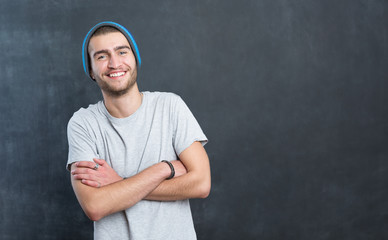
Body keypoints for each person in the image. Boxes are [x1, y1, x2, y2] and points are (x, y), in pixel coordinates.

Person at [66, 21, 211, 240]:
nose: (115, 63)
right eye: (102, 56)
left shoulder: (170, 106)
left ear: (135, 59)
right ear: (92, 71)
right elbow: (94, 206)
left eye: (122, 52)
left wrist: (119, 183)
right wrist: (164, 169)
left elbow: (201, 184)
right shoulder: (83, 123)